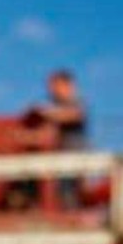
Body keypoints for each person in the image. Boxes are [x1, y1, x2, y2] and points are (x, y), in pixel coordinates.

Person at [34, 69, 88, 208]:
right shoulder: (55, 106)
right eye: (50, 87)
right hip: (59, 162)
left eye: (55, 86)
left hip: (76, 158)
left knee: (74, 196)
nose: (52, 91)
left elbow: (74, 115)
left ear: (68, 85)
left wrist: (46, 114)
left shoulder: (75, 101)